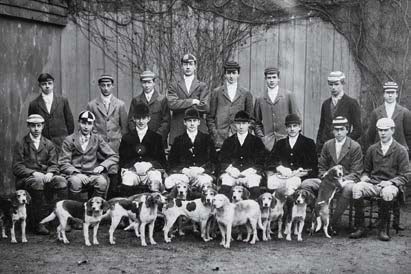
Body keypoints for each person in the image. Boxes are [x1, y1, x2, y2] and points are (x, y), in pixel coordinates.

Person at [350, 118, 410, 241]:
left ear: (392, 130)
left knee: (387, 192)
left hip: (391, 185)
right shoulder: (372, 149)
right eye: (380, 130)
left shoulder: (401, 150)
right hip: (374, 183)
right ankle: (360, 227)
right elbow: (366, 170)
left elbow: (406, 175)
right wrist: (365, 177)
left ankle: (382, 229)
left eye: (386, 130)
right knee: (357, 188)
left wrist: (391, 182)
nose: (383, 133)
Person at [301, 116, 363, 234]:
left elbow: (356, 172)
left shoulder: (355, 146)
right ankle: (318, 216)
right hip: (327, 180)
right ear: (332, 130)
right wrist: (324, 175)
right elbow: (321, 166)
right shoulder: (328, 144)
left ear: (347, 130)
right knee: (306, 184)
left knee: (349, 189)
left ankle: (332, 223)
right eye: (336, 129)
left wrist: (341, 180)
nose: (339, 132)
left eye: (342, 129)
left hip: (345, 181)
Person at [13, 114, 68, 235]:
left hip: (46, 176)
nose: (36, 129)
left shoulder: (48, 144)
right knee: (37, 183)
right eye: (33, 126)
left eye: (39, 126)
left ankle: (62, 219)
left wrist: (50, 172)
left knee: (61, 181)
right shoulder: (21, 143)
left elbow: (54, 163)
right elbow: (17, 167)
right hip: (27, 178)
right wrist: (33, 172)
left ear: (43, 126)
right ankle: (39, 222)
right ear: (28, 126)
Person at [59, 111, 119, 201]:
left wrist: (102, 166)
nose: (86, 127)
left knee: (102, 182)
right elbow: (63, 162)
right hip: (74, 174)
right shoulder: (69, 139)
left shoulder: (97, 138)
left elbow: (114, 156)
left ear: (93, 124)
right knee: (76, 182)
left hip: (92, 174)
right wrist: (77, 173)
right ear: (79, 122)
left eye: (89, 123)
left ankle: (93, 209)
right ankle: (75, 209)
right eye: (83, 123)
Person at [87, 74, 128, 198]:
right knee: (95, 172)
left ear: (112, 86)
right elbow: (90, 127)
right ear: (99, 86)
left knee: (114, 171)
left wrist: (122, 144)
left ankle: (112, 201)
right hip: (98, 147)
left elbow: (124, 127)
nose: (106, 88)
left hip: (115, 147)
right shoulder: (92, 105)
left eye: (108, 85)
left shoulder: (120, 104)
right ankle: (93, 200)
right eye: (103, 85)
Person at [119, 103, 166, 196]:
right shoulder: (127, 138)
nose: (141, 121)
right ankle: (129, 206)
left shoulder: (156, 137)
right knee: (128, 178)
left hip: (150, 171)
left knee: (155, 177)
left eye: (144, 118)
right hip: (133, 171)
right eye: (138, 118)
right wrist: (134, 165)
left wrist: (149, 164)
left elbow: (162, 160)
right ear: (133, 119)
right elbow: (123, 160)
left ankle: (155, 206)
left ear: (148, 118)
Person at [265, 114, 318, 196]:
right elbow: (270, 161)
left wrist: (304, 172)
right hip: (283, 177)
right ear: (286, 128)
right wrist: (279, 167)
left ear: (299, 127)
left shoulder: (309, 143)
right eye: (289, 126)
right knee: (271, 183)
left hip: (300, 178)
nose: (292, 129)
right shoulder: (280, 143)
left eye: (295, 126)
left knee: (290, 185)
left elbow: (314, 166)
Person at [218, 111, 266, 199]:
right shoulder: (228, 141)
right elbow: (223, 160)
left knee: (254, 184)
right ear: (235, 124)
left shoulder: (256, 141)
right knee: (225, 183)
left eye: (243, 123)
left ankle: (254, 209)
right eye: (238, 123)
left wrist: (251, 170)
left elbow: (261, 161)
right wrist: (230, 169)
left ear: (249, 124)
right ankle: (225, 210)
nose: (241, 126)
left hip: (250, 174)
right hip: (232, 174)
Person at [167, 107, 217, 191]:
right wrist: (184, 170)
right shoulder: (178, 140)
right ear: (184, 123)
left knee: (205, 182)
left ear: (198, 122)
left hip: (201, 174)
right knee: (169, 182)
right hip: (184, 175)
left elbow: (214, 161)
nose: (192, 124)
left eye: (194, 121)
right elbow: (172, 162)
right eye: (189, 121)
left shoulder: (207, 139)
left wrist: (201, 169)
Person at [207, 61, 254, 149]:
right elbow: (210, 117)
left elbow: (251, 118)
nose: (231, 76)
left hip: (240, 137)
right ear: (225, 74)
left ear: (238, 74)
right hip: (220, 138)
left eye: (234, 73)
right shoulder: (216, 92)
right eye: (228, 73)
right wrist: (215, 133)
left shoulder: (245, 93)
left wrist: (246, 134)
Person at [254, 67, 300, 151]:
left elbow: (297, 118)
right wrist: (262, 137)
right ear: (265, 79)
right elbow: (257, 123)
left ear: (278, 79)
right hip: (268, 145)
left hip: (286, 141)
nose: (272, 80)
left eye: (274, 77)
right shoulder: (259, 98)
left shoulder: (288, 95)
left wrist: (294, 138)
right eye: (269, 78)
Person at [167, 54, 209, 145]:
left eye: (191, 64)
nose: (188, 67)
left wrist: (181, 104)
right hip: (178, 130)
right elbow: (172, 104)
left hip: (198, 130)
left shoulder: (202, 86)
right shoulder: (174, 85)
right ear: (182, 67)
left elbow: (205, 107)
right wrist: (192, 101)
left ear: (195, 66)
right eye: (185, 64)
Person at [316, 71, 362, 153]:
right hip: (327, 149)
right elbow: (321, 128)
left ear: (342, 84)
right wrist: (319, 147)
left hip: (344, 150)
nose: (333, 87)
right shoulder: (326, 104)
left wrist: (345, 142)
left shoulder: (351, 103)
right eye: (330, 84)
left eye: (336, 84)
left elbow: (358, 130)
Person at [28, 73, 74, 152]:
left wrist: (66, 139)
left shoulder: (62, 100)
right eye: (44, 84)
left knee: (62, 163)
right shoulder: (34, 104)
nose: (47, 86)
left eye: (50, 83)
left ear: (53, 84)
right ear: (39, 85)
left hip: (62, 143)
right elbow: (32, 124)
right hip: (43, 144)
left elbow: (70, 122)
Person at [128, 70, 170, 145]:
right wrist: (138, 136)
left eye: (149, 82)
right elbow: (131, 121)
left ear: (154, 83)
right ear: (141, 83)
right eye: (144, 82)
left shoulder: (162, 99)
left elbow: (166, 122)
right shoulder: (136, 100)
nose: (147, 85)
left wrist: (156, 137)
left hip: (158, 142)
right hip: (140, 141)